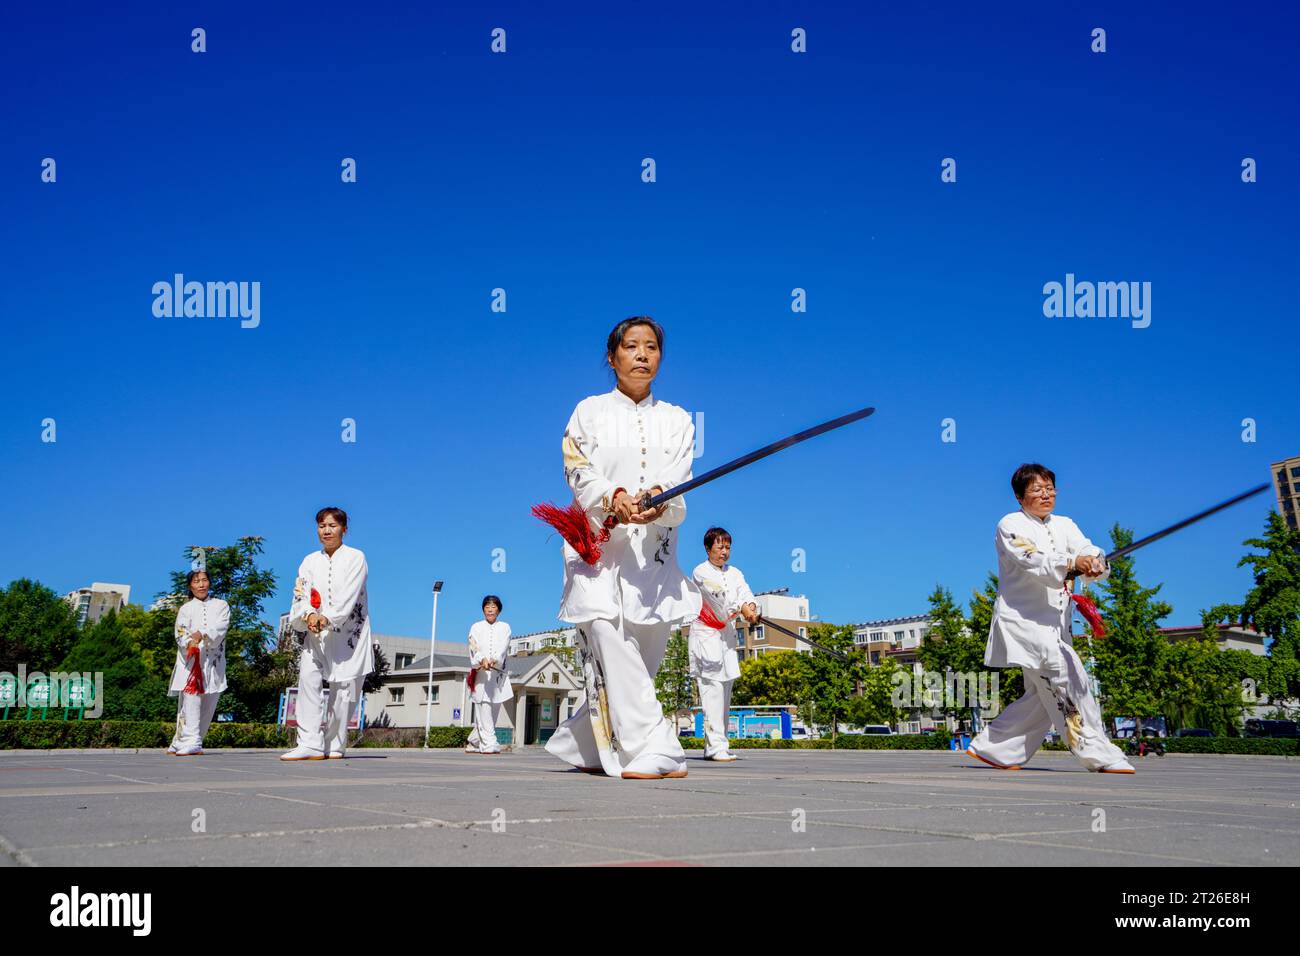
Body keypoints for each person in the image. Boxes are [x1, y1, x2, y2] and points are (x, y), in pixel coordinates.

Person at [543, 316, 702, 779]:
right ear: (612, 358)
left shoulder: (677, 420)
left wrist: (657, 498)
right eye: (631, 346)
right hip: (598, 547)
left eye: (651, 347)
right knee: (606, 633)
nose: (642, 354)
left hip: (653, 554)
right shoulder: (587, 412)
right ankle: (660, 748)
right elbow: (577, 468)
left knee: (640, 656)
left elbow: (679, 476)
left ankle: (588, 744)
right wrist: (612, 496)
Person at [966, 464, 1135, 773]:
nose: (1045, 494)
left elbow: (1086, 548)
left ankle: (996, 749)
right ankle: (1098, 753)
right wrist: (1073, 562)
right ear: (1019, 496)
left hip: (1058, 624)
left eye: (1049, 488)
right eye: (1036, 490)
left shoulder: (1065, 524)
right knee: (1068, 676)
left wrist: (1095, 562)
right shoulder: (1010, 524)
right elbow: (1034, 560)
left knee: (1043, 695)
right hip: (1024, 623)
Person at [281, 507, 374, 761]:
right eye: (322, 525)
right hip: (315, 634)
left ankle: (334, 742)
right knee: (308, 680)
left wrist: (327, 617)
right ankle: (309, 742)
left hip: (347, 635)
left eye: (332, 525)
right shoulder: (309, 561)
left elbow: (348, 595)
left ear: (344, 529)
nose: (327, 530)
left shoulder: (356, 557)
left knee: (343, 691)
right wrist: (308, 615)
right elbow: (300, 592)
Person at [689, 527, 757, 762]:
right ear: (708, 549)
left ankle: (718, 744)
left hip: (725, 636)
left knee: (725, 689)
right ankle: (715, 745)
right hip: (706, 634)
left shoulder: (735, 572)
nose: (725, 552)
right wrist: (741, 608)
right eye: (720, 547)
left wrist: (751, 606)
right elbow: (717, 599)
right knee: (712, 691)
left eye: (728, 547)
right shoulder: (700, 572)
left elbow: (744, 591)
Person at [167, 569, 229, 756]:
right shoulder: (185, 609)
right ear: (190, 586)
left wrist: (202, 634)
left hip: (214, 663)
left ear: (209, 583)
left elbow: (221, 626)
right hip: (191, 663)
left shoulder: (221, 605)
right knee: (190, 701)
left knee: (209, 702)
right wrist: (189, 643)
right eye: (196, 581)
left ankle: (183, 741)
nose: (201, 584)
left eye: (204, 580)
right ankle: (191, 740)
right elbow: (180, 633)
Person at [466, 595, 513, 754]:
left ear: (498, 610)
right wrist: (481, 660)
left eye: (493, 607)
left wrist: (494, 660)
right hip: (481, 674)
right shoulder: (476, 627)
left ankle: (474, 740)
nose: (490, 610)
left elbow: (504, 646)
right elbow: (473, 646)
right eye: (487, 607)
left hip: (498, 674)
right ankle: (489, 743)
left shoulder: (505, 627)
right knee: (484, 706)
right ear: (483, 610)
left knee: (494, 709)